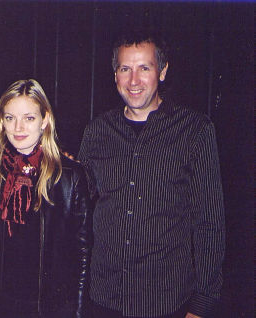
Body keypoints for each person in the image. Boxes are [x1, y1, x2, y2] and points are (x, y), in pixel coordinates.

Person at [78, 32, 225, 318]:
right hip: (104, 299)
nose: (134, 81)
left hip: (168, 302)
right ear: (115, 74)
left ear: (163, 71)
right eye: (125, 69)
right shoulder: (96, 131)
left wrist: (202, 304)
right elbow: (78, 210)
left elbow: (210, 222)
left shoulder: (195, 131)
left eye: (144, 68)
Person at [0, 79, 92, 318]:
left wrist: (77, 312)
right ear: (1, 122)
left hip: (51, 309)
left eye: (29, 118)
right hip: (3, 306)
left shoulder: (69, 176)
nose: (18, 127)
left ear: (45, 120)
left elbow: (83, 253)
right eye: (10, 118)